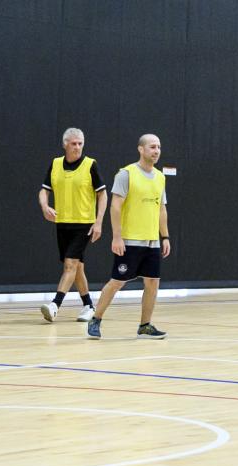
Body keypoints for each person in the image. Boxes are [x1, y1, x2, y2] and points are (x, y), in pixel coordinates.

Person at [86, 134, 174, 339]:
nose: (157, 151)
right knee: (117, 281)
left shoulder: (160, 177)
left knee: (153, 282)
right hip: (129, 240)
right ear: (141, 149)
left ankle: (145, 325)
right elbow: (115, 207)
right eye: (152, 147)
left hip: (151, 242)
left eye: (159, 147)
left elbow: (162, 210)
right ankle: (95, 319)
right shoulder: (126, 174)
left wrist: (165, 237)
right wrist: (117, 237)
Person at [36, 127, 107, 323]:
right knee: (78, 268)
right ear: (65, 144)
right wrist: (44, 206)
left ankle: (55, 305)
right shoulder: (55, 164)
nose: (77, 147)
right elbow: (44, 190)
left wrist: (99, 221)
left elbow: (102, 194)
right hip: (62, 223)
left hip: (84, 224)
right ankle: (89, 306)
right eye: (73, 143)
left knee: (70, 265)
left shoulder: (91, 165)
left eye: (80, 144)